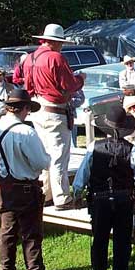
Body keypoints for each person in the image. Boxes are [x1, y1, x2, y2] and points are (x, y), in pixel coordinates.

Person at [73, 106, 135, 270]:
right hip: (124, 201)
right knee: (122, 244)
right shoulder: (134, 150)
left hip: (100, 201)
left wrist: (77, 192)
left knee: (99, 240)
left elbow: (83, 172)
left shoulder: (94, 147)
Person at [23, 23, 85, 210]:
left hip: (37, 109)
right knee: (58, 155)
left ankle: (46, 194)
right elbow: (69, 85)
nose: (61, 46)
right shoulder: (56, 58)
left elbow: (23, 82)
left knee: (44, 154)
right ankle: (62, 198)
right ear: (55, 42)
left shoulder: (30, 58)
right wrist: (81, 79)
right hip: (55, 110)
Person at [0, 89, 50, 270]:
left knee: (7, 234)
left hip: (4, 189)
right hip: (26, 190)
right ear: (25, 108)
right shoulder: (26, 132)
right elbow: (41, 163)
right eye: (28, 109)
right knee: (31, 236)